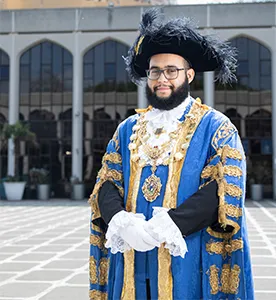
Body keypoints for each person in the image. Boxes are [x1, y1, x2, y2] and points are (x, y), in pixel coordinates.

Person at [89, 8, 254, 300]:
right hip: (132, 257)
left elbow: (225, 187)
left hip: (188, 258)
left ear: (189, 75)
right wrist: (121, 222)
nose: (161, 79)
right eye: (154, 71)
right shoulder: (128, 128)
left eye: (171, 71)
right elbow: (107, 182)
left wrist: (169, 225)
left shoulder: (216, 126)